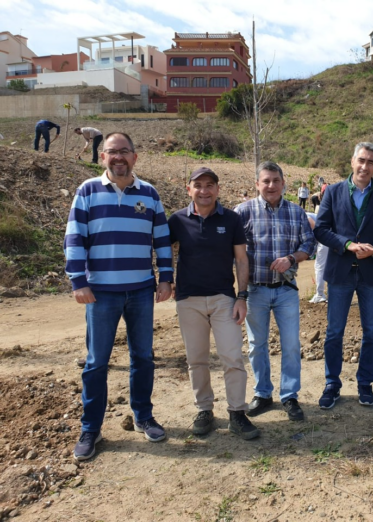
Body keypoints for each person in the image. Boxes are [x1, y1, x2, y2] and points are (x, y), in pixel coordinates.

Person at [64, 132, 173, 461]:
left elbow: (163, 241)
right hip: (100, 293)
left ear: (135, 157)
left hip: (141, 289)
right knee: (96, 362)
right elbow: (74, 238)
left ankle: (143, 416)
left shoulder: (150, 194)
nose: (119, 157)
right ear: (103, 157)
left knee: (143, 357)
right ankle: (91, 429)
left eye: (124, 151)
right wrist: (78, 281)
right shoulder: (87, 191)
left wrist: (166, 278)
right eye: (112, 152)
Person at [168, 167, 260, 440]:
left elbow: (242, 260)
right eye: (198, 185)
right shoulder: (177, 220)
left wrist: (242, 297)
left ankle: (237, 413)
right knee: (196, 359)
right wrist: (165, 279)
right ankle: (204, 409)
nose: (204, 191)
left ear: (217, 189)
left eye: (210, 185)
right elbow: (162, 250)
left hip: (223, 299)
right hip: (188, 300)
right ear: (189, 189)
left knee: (232, 357)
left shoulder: (231, 220)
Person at [314, 142, 373, 409]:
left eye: (371, 162)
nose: (365, 166)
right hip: (340, 272)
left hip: (371, 274)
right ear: (352, 161)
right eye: (361, 160)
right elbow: (322, 229)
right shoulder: (334, 191)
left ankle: (365, 383)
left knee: (371, 332)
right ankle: (332, 384)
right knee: (334, 332)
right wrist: (347, 245)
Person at [235, 161, 316, 422]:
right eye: (265, 181)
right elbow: (232, 250)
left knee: (291, 344)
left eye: (275, 180)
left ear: (284, 183)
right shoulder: (242, 212)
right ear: (257, 184)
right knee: (257, 345)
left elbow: (309, 244)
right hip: (255, 290)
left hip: (285, 291)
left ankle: (290, 396)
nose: (271, 185)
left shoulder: (295, 212)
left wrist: (291, 259)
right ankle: (263, 393)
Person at [305, 212, 329, 303]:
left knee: (319, 267)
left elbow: (315, 229)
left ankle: (320, 294)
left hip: (325, 238)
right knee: (327, 266)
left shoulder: (303, 215)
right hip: (330, 236)